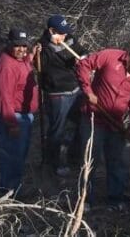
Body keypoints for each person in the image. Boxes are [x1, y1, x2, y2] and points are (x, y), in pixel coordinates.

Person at [75, 44, 130, 210]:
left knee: (117, 161)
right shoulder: (110, 56)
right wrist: (88, 91)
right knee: (90, 160)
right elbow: (83, 65)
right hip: (93, 119)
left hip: (115, 125)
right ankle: (84, 200)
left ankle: (115, 199)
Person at [0, 28, 40, 197]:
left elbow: (25, 62)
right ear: (9, 44)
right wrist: (11, 123)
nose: (21, 50)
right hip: (13, 116)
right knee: (12, 156)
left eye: (24, 46)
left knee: (18, 155)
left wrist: (32, 55)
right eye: (17, 46)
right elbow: (4, 97)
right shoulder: (5, 66)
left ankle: (12, 190)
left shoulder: (22, 59)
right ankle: (8, 194)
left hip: (23, 115)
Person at [34, 15, 86, 176]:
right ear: (52, 31)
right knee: (57, 130)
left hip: (75, 90)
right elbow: (39, 69)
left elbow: (82, 51)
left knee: (82, 123)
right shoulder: (42, 48)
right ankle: (53, 163)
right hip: (57, 93)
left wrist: (83, 59)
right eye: (60, 34)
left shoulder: (69, 38)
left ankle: (75, 157)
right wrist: (36, 56)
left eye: (65, 33)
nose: (64, 36)